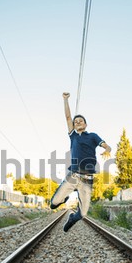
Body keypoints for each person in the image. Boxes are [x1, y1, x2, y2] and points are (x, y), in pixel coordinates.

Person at [50, 92, 111, 232]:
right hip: (73, 176)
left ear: (85, 124)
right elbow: (67, 117)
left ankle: (72, 218)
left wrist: (107, 149)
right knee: (53, 204)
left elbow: (106, 145)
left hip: (87, 180)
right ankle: (64, 198)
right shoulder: (73, 136)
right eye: (75, 121)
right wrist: (65, 100)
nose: (77, 122)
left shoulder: (93, 136)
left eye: (80, 121)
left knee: (83, 214)